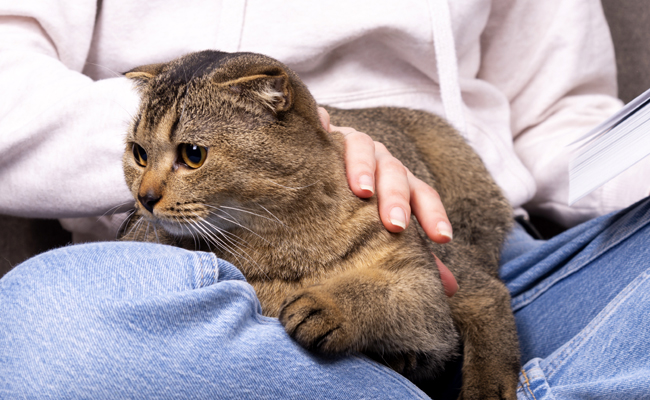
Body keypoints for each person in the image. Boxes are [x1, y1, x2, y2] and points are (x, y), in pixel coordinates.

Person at [1, 0, 649, 398]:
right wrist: (312, 141)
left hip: (487, 261)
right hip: (200, 281)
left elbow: (556, 113)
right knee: (46, 333)